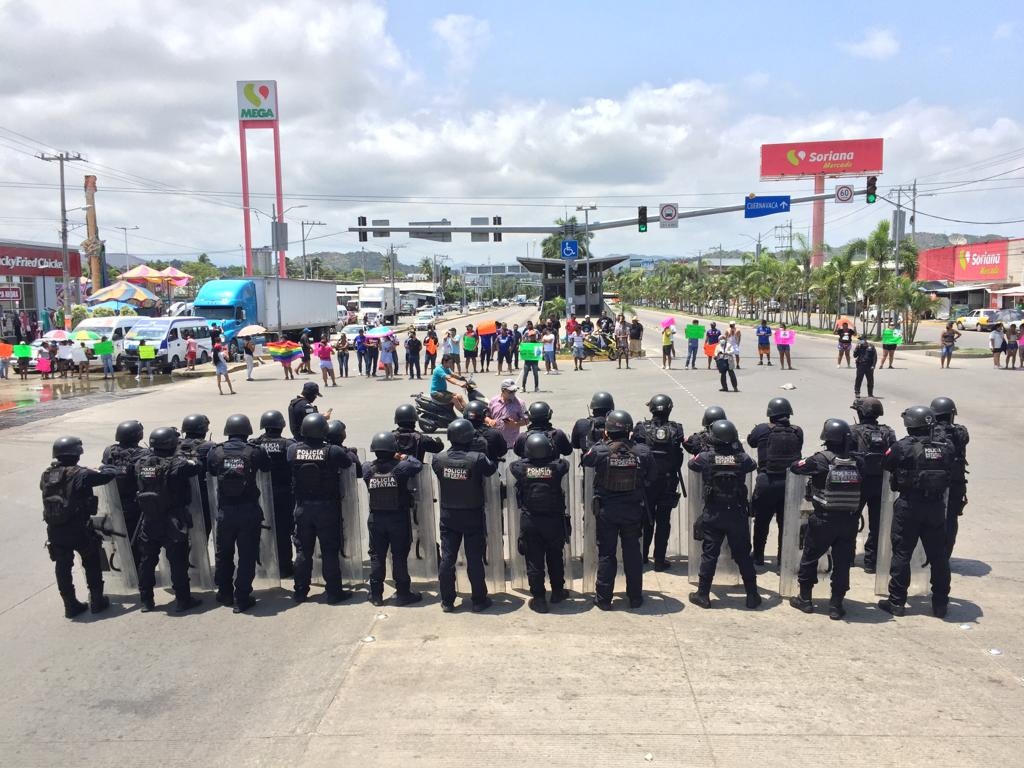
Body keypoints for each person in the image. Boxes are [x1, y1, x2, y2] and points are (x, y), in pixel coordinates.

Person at [878, 406, 955, 618]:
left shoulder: (903, 446)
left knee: (902, 553)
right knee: (939, 557)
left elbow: (886, 463)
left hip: (909, 506)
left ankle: (897, 603)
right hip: (937, 507)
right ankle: (940, 604)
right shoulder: (945, 446)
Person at [788, 419, 864, 619]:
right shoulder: (858, 460)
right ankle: (836, 606)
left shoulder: (821, 459)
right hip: (848, 520)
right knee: (842, 563)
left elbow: (796, 467)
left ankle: (805, 599)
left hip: (824, 519)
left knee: (810, 558)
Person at [582, 410, 655, 610]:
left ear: (608, 431)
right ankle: (635, 597)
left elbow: (586, 459)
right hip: (632, 510)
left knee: (607, 554)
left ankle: (604, 598)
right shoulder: (642, 451)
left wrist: (594, 439)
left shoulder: (601, 450)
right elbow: (651, 475)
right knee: (632, 553)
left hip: (608, 511)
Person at [687, 420, 761, 609]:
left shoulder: (706, 457)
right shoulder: (742, 458)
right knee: (743, 554)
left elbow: (692, 464)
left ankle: (703, 594)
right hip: (737, 513)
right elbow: (753, 465)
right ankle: (752, 594)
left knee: (709, 553)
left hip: (714, 513)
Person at [41, 436, 118, 618]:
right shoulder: (80, 474)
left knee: (62, 566)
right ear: (76, 454)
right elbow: (110, 473)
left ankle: (70, 605)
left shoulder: (46, 475)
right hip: (78, 528)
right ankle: (97, 601)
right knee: (91, 561)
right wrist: (98, 468)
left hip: (55, 529)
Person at [133, 426, 204, 612]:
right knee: (178, 562)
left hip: (148, 519)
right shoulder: (177, 464)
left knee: (147, 562)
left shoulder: (140, 463)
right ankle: (183, 599)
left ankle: (146, 601)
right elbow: (197, 467)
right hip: (172, 519)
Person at [206, 414, 272, 613]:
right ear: (247, 431)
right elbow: (267, 467)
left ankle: (224, 593)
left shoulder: (215, 452)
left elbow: (210, 470)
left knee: (223, 554)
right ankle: (242, 597)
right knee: (247, 554)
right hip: (249, 511)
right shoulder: (254, 451)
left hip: (225, 512)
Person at [288, 413, 355, 603]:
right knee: (329, 551)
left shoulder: (293, 450)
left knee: (302, 551)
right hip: (327, 509)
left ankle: (300, 591)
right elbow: (348, 462)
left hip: (302, 509)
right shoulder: (332, 451)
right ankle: (334, 593)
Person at [432, 418, 497, 612]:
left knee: (447, 559)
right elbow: (491, 469)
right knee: (474, 558)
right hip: (472, 514)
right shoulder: (476, 458)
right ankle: (478, 600)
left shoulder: (439, 459)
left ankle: (447, 601)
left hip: (448, 515)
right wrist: (482, 451)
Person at [510, 433, 571, 613]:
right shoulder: (558, 467)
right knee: (555, 557)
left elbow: (515, 463)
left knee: (534, 561)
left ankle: (539, 598)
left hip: (531, 521)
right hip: (554, 520)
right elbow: (563, 461)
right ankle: (558, 592)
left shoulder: (520, 468)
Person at [364, 431, 424, 607]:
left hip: (376, 519)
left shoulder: (368, 468)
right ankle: (403, 593)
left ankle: (376, 595)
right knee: (399, 556)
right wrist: (405, 456)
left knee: (376, 556)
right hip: (397, 519)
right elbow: (417, 465)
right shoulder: (401, 468)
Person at [632, 394, 685, 571]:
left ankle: (642, 556)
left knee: (645, 519)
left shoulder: (641, 428)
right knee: (664, 521)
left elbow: (635, 449)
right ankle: (660, 560)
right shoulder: (677, 429)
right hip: (668, 481)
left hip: (646, 482)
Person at [748, 397, 804, 566]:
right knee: (786, 522)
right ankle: (782, 559)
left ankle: (758, 556)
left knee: (762, 521)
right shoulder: (797, 431)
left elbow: (751, 441)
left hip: (767, 481)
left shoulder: (762, 429)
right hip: (790, 483)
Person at [849, 398, 897, 574]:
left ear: (860, 413)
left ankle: (848, 558)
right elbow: (894, 456)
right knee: (877, 524)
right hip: (881, 484)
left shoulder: (852, 431)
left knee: (850, 520)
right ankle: (871, 562)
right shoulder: (888, 432)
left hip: (857, 482)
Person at [250, 410, 296, 578]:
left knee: (262, 529)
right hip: (283, 493)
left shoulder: (254, 444)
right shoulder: (288, 444)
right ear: (282, 426)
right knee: (283, 531)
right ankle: (284, 567)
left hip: (260, 493)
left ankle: (265, 564)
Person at [101, 420, 149, 564]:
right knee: (138, 539)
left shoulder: (109, 451)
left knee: (121, 537)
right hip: (135, 503)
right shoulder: (143, 454)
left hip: (114, 501)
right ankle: (137, 570)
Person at [930, 396, 970, 558]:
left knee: (929, 517)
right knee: (951, 519)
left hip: (934, 483)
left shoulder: (931, 432)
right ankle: (945, 554)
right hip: (956, 483)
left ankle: (930, 554)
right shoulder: (961, 432)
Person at [487, 378, 528, 450]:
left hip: (511, 444)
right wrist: (490, 421)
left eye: (515, 390)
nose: (513, 393)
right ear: (503, 390)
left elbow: (527, 420)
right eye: (510, 391)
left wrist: (515, 424)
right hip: (495, 442)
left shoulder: (520, 403)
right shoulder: (493, 401)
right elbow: (486, 416)